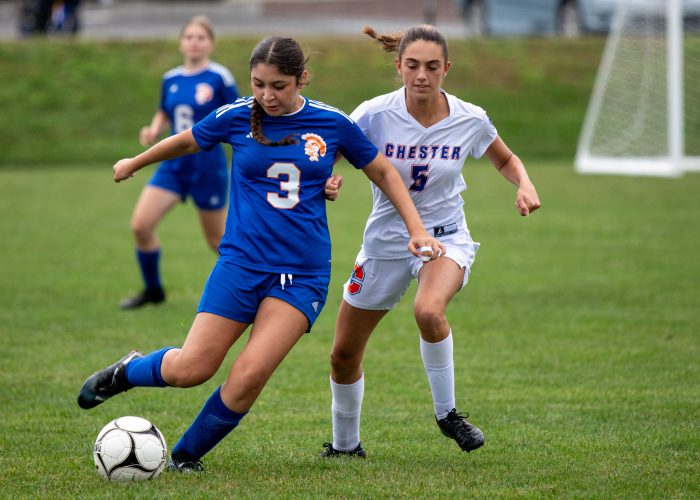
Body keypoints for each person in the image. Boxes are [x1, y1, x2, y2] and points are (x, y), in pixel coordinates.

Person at [77, 35, 443, 472]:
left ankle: (184, 458)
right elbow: (188, 141)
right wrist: (135, 161)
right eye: (258, 84)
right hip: (240, 265)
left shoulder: (331, 123)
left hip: (302, 275)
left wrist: (415, 228)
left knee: (249, 376)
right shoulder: (236, 116)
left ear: (301, 79)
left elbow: (381, 169)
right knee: (191, 369)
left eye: (279, 86)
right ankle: (126, 372)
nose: (267, 96)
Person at [321, 24, 541, 458]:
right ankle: (345, 447)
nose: (422, 75)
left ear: (446, 69)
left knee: (428, 309)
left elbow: (506, 158)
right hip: (385, 242)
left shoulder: (469, 118)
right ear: (399, 66)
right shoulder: (373, 114)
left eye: (432, 66)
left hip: (445, 238)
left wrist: (524, 183)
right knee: (343, 355)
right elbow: (331, 150)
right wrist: (328, 178)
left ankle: (448, 415)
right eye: (413, 65)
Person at [120, 16, 239, 309]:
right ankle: (153, 290)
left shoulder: (219, 77)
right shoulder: (170, 78)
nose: (194, 42)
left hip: (207, 168)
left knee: (218, 241)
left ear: (210, 44)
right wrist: (153, 128)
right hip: (173, 166)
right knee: (140, 226)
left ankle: (250, 287)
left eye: (200, 37)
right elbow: (165, 111)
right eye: (189, 37)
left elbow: (238, 117)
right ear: (181, 43)